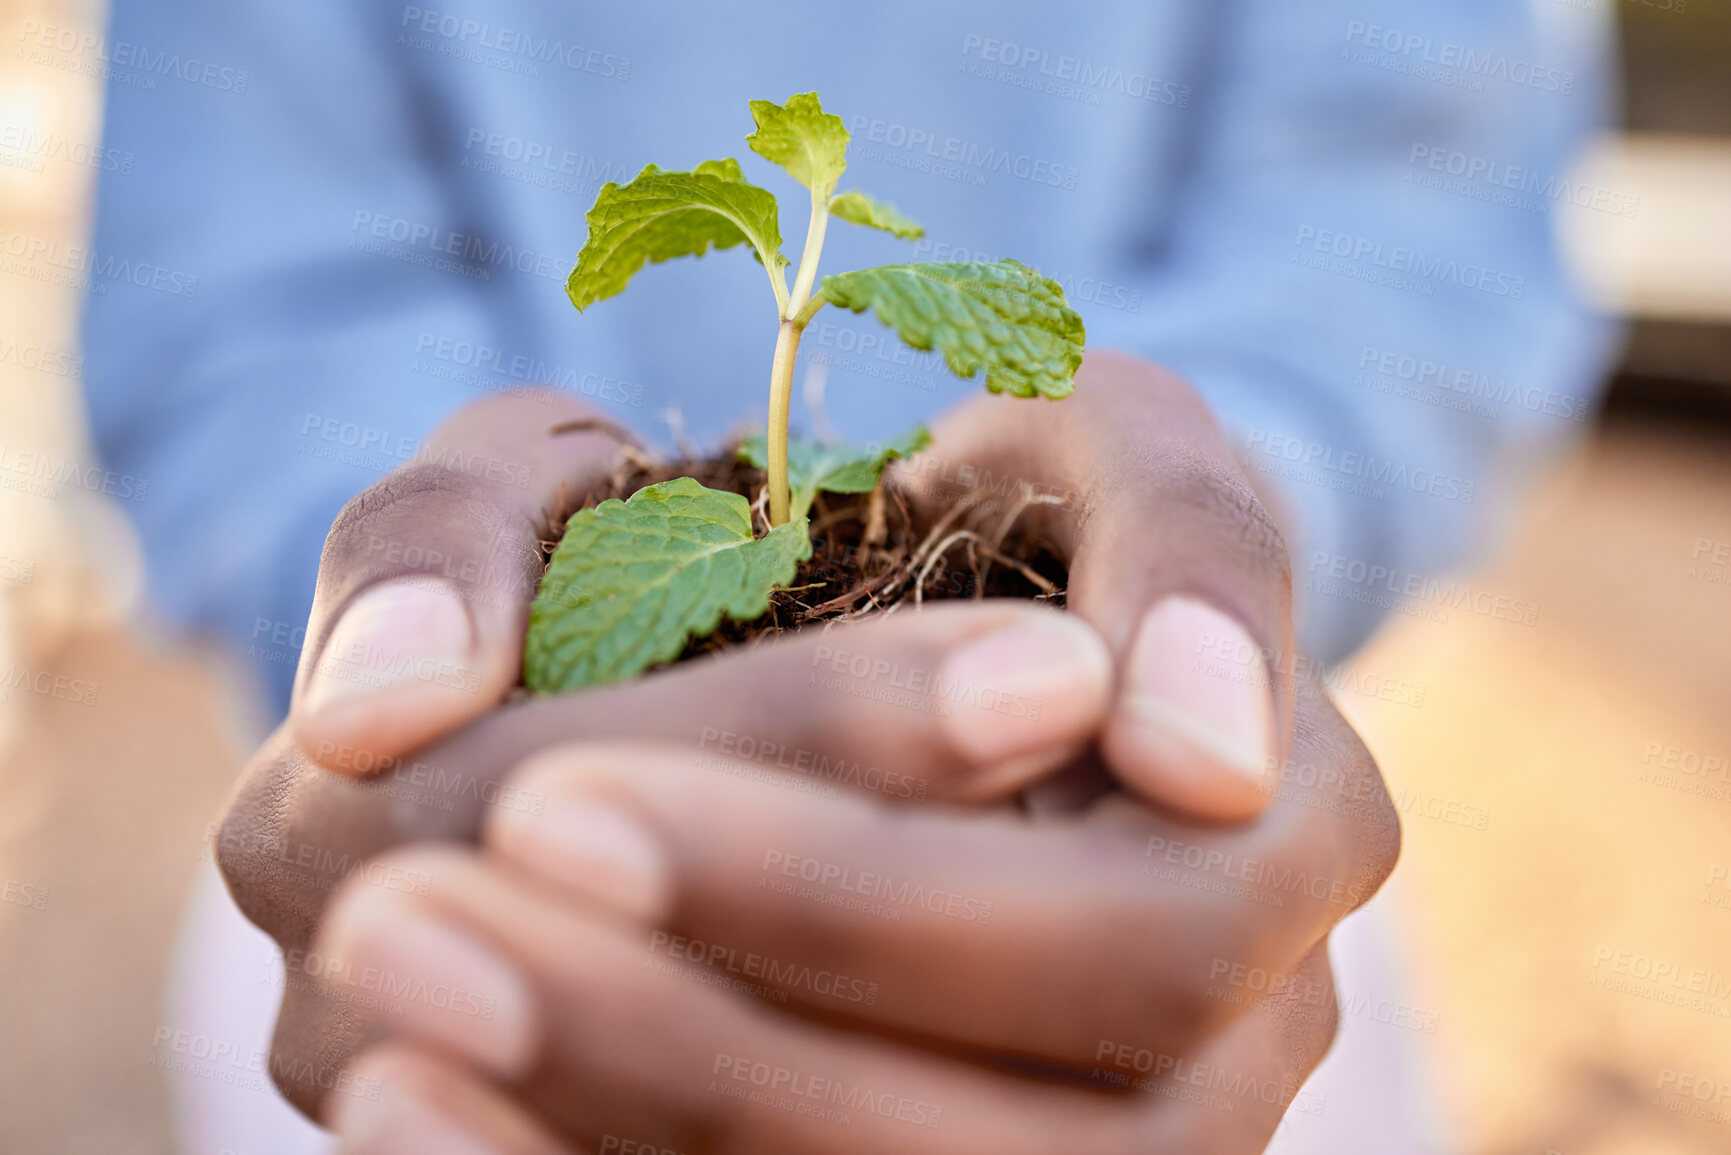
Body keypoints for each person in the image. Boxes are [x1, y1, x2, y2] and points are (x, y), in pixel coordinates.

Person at [80, 1, 1617, 1151]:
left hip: (1180, 889)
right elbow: (237, 294)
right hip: (394, 861)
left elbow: (1408, 234)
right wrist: (402, 634)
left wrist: (1215, 543)